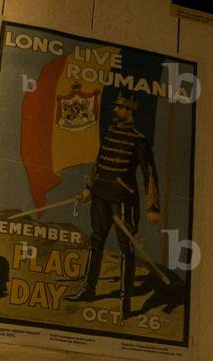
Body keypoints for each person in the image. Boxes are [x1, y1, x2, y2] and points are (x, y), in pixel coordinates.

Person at [66, 92, 160, 318]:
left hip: (122, 200)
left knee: (126, 249)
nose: (115, 110)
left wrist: (152, 207)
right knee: (96, 240)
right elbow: (99, 163)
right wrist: (89, 188)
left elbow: (149, 173)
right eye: (116, 106)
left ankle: (124, 303)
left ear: (129, 111)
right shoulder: (110, 133)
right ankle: (89, 290)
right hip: (100, 196)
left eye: (119, 107)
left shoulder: (138, 139)